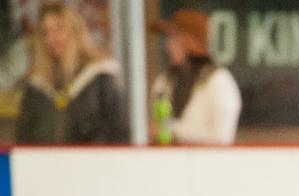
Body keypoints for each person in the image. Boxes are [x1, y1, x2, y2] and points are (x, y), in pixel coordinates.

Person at [15, 2, 128, 144]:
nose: (51, 39)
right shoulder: (37, 89)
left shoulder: (100, 80)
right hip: (46, 163)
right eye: (46, 32)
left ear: (76, 32)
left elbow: (119, 134)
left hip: (93, 163)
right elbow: (23, 139)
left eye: (59, 30)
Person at [149, 9, 242, 145]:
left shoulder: (218, 81)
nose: (168, 45)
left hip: (208, 164)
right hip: (166, 162)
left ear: (190, 41)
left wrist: (174, 131)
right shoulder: (165, 81)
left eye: (174, 38)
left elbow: (221, 137)